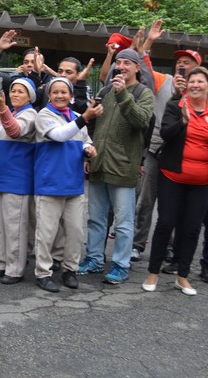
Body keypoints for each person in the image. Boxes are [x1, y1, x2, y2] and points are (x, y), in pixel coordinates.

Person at [78, 49, 154, 285]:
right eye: (118, 62)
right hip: (99, 161)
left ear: (136, 68)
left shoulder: (144, 93)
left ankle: (121, 265)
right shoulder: (105, 91)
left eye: (127, 63)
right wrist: (88, 156)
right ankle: (94, 259)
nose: (121, 66)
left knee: (122, 222)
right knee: (96, 218)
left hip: (123, 165)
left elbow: (140, 120)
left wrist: (123, 94)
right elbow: (91, 125)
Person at [132, 19, 201, 263]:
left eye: (188, 62)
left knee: (172, 204)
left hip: (184, 154)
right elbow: (142, 63)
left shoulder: (202, 90)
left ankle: (169, 247)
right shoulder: (163, 80)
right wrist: (149, 40)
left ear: (198, 69)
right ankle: (138, 244)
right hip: (156, 149)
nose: (182, 65)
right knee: (146, 201)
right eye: (179, 62)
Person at [142, 67, 208, 296]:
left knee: (191, 229)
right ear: (187, 85)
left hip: (202, 181)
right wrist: (183, 121)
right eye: (192, 81)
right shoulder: (176, 106)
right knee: (165, 224)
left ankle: (182, 277)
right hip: (172, 176)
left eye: (201, 82)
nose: (195, 85)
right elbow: (166, 134)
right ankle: (153, 273)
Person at [34, 78, 101, 292]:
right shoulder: (44, 115)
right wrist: (86, 119)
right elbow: (59, 136)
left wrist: (89, 149)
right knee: (46, 233)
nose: (60, 95)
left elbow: (85, 140)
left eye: (64, 92)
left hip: (74, 183)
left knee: (74, 232)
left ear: (71, 96)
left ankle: (69, 270)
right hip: (50, 183)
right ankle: (43, 273)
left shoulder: (77, 117)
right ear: (50, 95)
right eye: (56, 92)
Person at [0, 78, 37, 284]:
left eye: (21, 92)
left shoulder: (31, 114)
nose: (16, 94)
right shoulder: (4, 112)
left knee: (14, 225)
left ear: (30, 97)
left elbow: (15, 131)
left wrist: (2, 107)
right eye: (13, 91)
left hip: (17, 178)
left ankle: (15, 268)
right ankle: (1, 261)